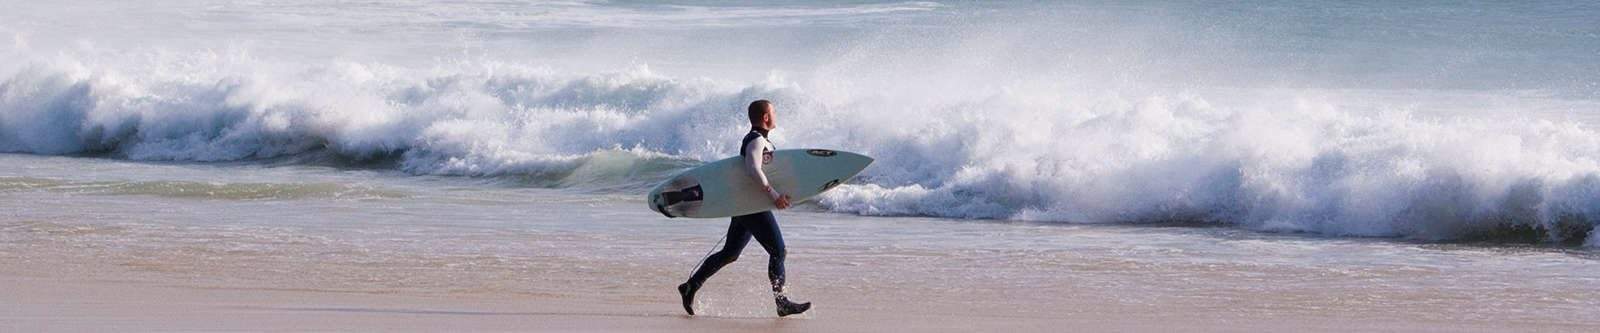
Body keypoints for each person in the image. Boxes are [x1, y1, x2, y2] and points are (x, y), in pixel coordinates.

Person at [677, 100, 811, 317]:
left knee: (730, 253)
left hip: (745, 204)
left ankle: (690, 286)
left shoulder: (760, 140)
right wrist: (774, 196)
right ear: (766, 117)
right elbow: (752, 169)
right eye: (774, 112)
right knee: (778, 251)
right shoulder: (756, 141)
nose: (776, 116)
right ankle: (781, 302)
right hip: (752, 206)